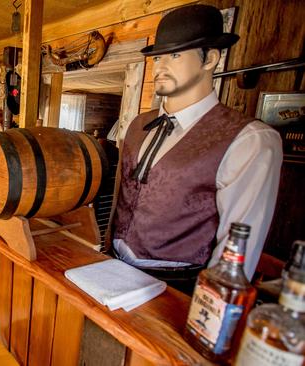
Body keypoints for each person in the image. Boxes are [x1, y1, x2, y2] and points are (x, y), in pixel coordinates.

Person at [110, 5, 282, 294]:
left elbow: (237, 245)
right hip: (112, 269)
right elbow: (122, 197)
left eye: (175, 55)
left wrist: (209, 309)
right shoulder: (139, 124)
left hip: (177, 287)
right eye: (159, 56)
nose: (161, 66)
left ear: (210, 59)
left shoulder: (249, 139)